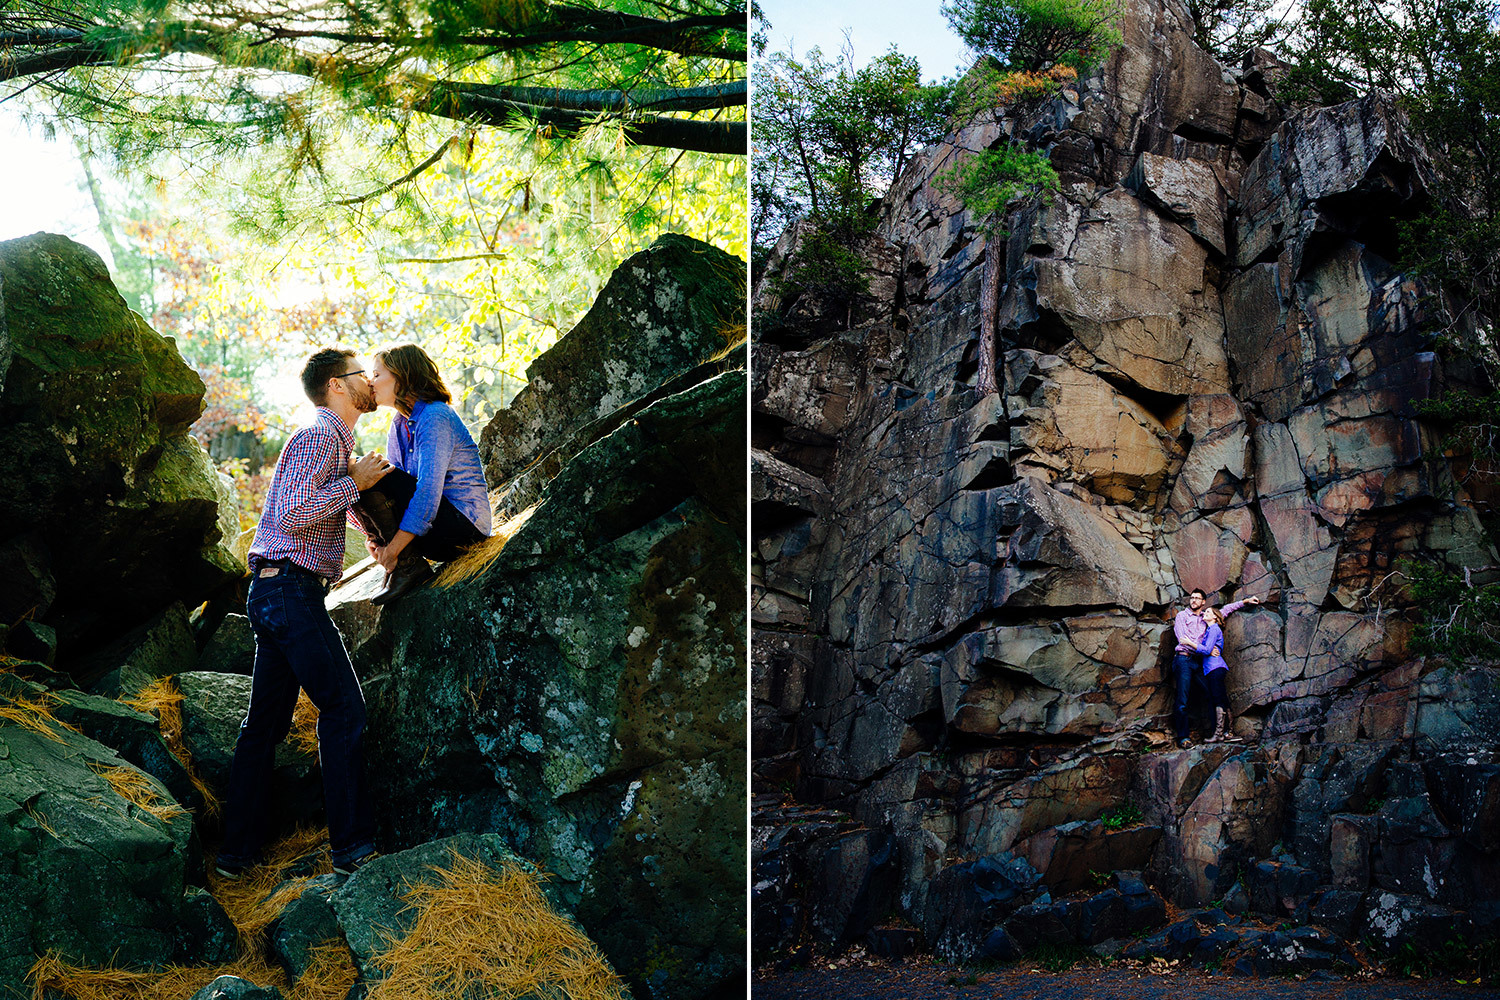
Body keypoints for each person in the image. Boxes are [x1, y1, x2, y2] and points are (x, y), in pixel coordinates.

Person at [217, 348, 391, 879]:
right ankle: (352, 850)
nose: (370, 382)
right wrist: (355, 483)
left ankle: (233, 855)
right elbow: (295, 515)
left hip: (275, 593)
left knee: (263, 729)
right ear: (338, 386)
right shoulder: (321, 435)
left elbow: (324, 513)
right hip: (290, 591)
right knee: (343, 709)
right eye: (363, 374)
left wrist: (382, 541)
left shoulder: (334, 441)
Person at [349, 344, 492, 605]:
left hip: (465, 530)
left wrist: (392, 549)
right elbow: (394, 492)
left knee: (367, 469)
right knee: (359, 471)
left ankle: (404, 564)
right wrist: (376, 540)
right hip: (435, 531)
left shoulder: (435, 416)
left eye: (377, 374)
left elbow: (427, 493)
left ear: (402, 376)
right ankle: (405, 565)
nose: (371, 382)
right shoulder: (399, 423)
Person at [1171, 589, 1260, 748]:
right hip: (1183, 658)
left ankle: (1220, 733)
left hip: (1199, 662)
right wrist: (1206, 649)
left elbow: (1224, 611)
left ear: (1203, 602)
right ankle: (1183, 737)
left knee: (1212, 694)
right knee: (1182, 698)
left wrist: (1244, 602)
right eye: (1192, 598)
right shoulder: (1182, 616)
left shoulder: (1207, 617)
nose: (1194, 600)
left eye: (1197, 598)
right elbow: (1183, 640)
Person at [1192, 605, 1239, 742]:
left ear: (1215, 617)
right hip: (1213, 668)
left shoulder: (1213, 629)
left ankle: (1220, 734)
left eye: (1208, 612)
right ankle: (1227, 733)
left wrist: (1190, 643)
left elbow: (1206, 650)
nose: (1204, 613)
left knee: (1218, 698)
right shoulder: (1209, 630)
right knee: (1220, 698)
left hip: (1215, 668)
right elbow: (1207, 650)